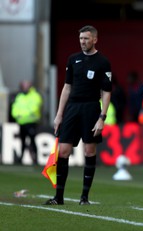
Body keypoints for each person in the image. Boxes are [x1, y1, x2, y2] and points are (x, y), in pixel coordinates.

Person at [44, 25, 112, 205]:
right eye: (81, 38)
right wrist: (59, 115)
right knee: (63, 151)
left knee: (89, 150)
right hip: (72, 108)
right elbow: (67, 88)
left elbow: (106, 92)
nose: (83, 42)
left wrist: (102, 117)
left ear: (95, 39)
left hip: (91, 109)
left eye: (86, 39)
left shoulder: (102, 62)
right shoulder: (73, 59)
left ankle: (84, 197)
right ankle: (59, 197)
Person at [11, 80, 42, 165]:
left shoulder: (35, 95)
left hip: (31, 122)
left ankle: (35, 158)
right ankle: (21, 158)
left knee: (32, 140)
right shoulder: (20, 96)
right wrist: (16, 115)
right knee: (22, 141)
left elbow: (35, 107)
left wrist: (22, 115)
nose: (25, 87)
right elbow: (14, 108)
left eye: (26, 85)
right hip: (22, 122)